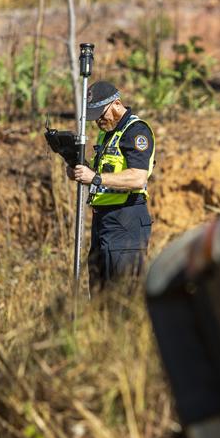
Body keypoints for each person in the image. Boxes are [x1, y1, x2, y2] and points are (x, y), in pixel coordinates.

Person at [66, 81, 155, 296]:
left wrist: (95, 178)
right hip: (103, 223)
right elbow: (105, 173)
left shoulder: (136, 131)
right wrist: (80, 170)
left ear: (116, 104)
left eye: (101, 113)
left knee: (122, 298)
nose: (98, 120)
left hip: (126, 223)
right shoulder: (107, 133)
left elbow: (137, 177)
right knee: (99, 296)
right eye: (94, 115)